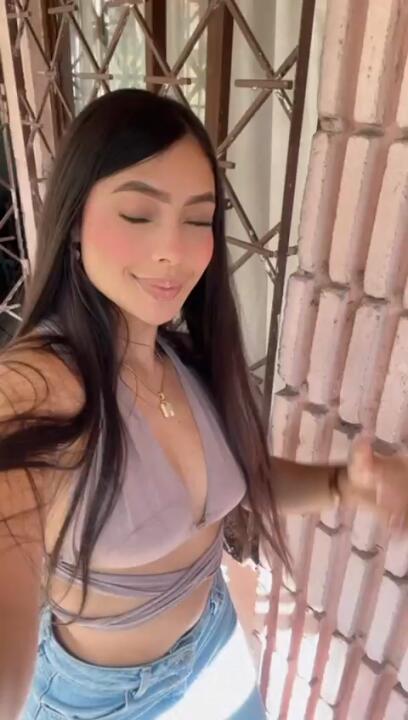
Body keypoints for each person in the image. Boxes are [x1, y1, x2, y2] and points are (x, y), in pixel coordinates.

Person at [0, 89, 406, 720]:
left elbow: (237, 479)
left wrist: (342, 485)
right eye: (138, 214)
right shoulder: (37, 386)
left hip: (214, 646)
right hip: (101, 704)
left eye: (198, 220)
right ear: (75, 221)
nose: (175, 250)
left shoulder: (182, 358)